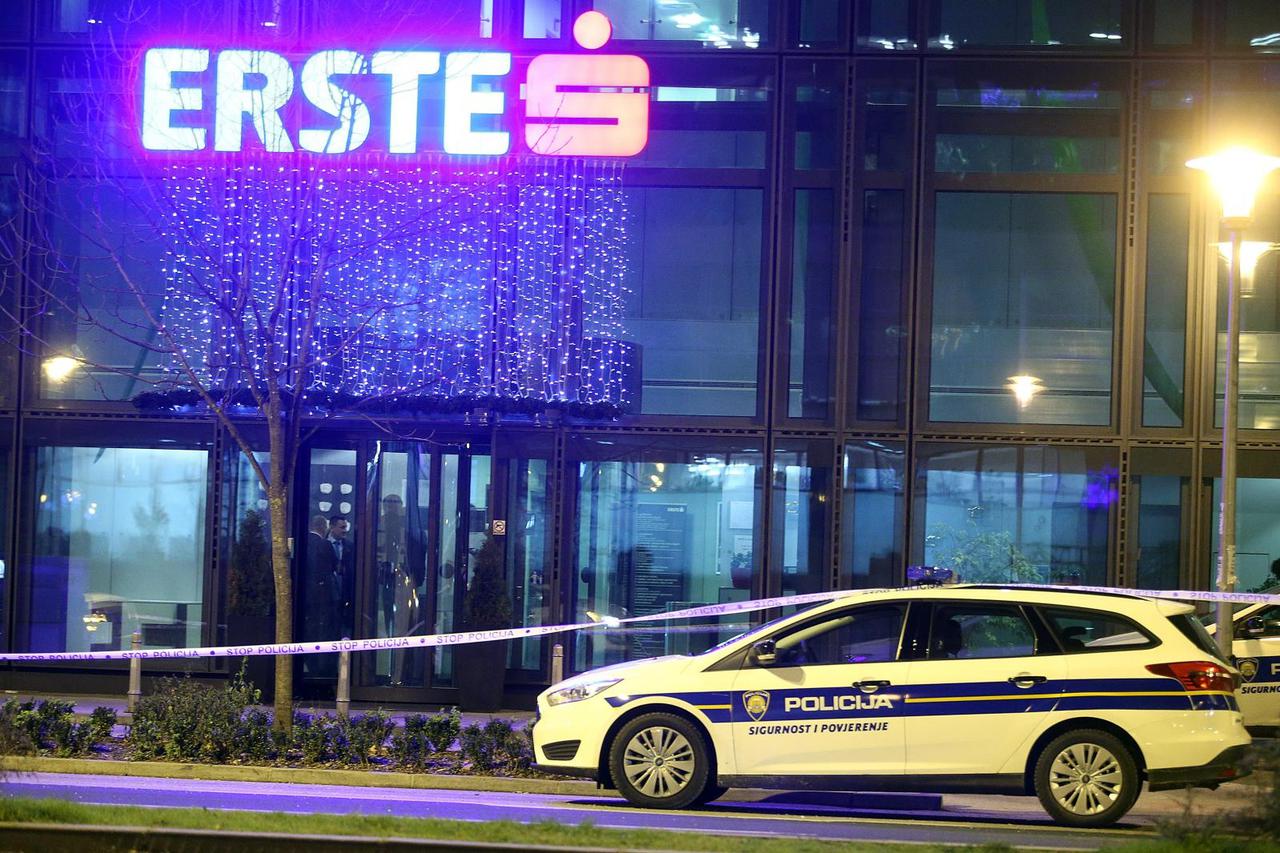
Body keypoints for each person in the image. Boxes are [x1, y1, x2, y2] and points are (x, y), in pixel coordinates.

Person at [327, 514, 355, 640]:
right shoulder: (322, 544)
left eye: (345, 527)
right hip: (327, 594)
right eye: (341, 527)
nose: (345, 531)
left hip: (345, 593)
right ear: (332, 527)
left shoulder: (350, 546)